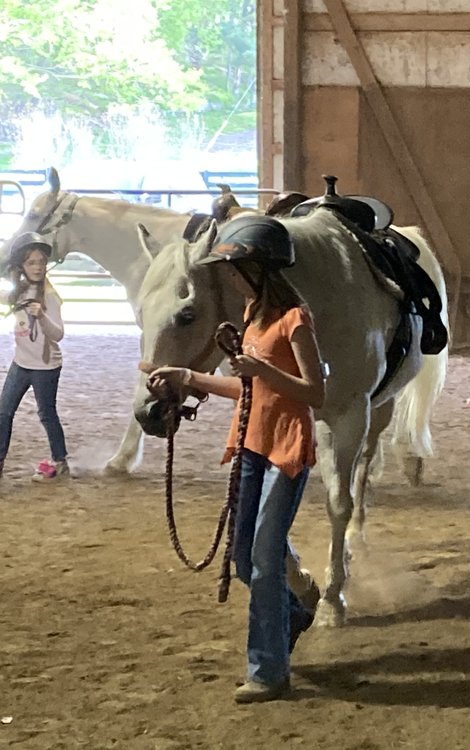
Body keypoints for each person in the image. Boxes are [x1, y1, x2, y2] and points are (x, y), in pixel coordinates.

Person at [146, 216, 325, 704]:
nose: (229, 275)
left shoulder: (295, 321)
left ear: (259, 269)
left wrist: (261, 368)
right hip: (250, 445)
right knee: (244, 559)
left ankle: (268, 671)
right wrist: (188, 377)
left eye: (235, 267)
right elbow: (247, 389)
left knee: (265, 560)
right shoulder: (251, 317)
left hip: (286, 449)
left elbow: (316, 393)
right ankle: (291, 616)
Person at [0, 232, 70, 482]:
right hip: (21, 362)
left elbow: (58, 334)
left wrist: (42, 316)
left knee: (47, 413)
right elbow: (10, 299)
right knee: (4, 411)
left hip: (45, 367)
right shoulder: (23, 289)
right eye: (31, 263)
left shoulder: (50, 297)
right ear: (22, 266)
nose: (37, 267)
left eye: (41, 262)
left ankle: (60, 461)